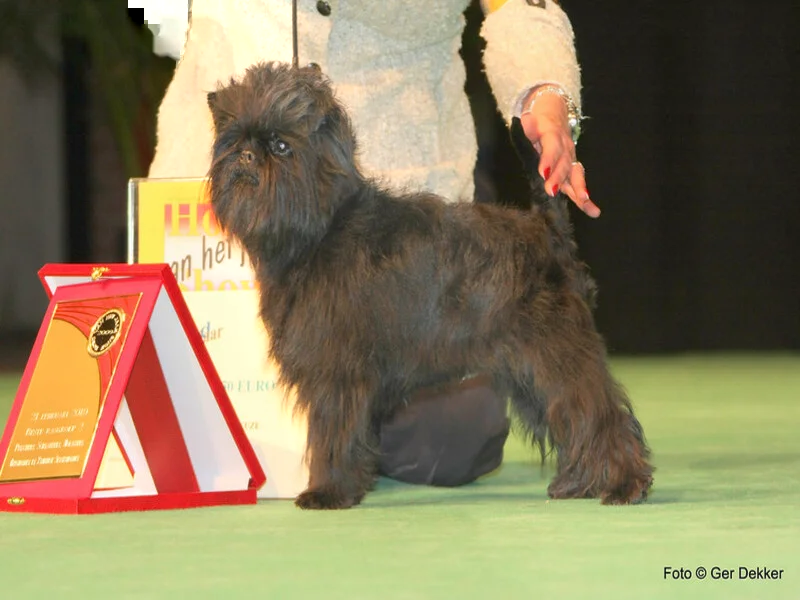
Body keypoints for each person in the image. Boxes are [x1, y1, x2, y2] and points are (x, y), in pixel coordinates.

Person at [147, 0, 598, 487]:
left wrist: (543, 95)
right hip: (190, 219)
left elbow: (519, 6)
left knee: (443, 442)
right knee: (177, 421)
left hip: (397, 213)